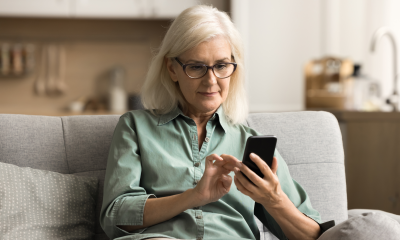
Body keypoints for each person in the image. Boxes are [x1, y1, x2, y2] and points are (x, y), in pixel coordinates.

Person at [100, 5, 322, 240]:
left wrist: (274, 200)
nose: (211, 80)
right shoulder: (135, 127)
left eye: (221, 65)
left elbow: (314, 236)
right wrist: (194, 196)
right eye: (196, 67)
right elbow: (115, 217)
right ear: (172, 68)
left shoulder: (250, 142)